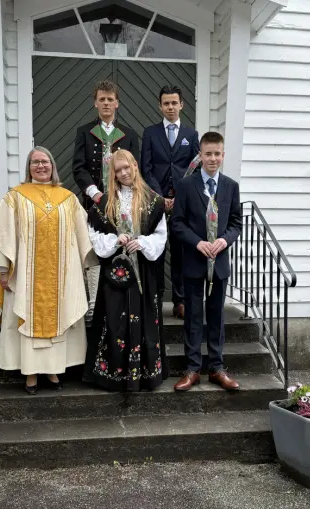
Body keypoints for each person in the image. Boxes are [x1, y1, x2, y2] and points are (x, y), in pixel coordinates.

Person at [0, 146, 97, 395]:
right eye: (35, 162)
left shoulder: (68, 198)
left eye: (45, 161)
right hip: (25, 277)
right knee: (27, 316)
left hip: (61, 276)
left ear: (52, 165)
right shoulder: (16, 197)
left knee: (60, 316)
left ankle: (53, 370)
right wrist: (3, 270)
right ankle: (31, 374)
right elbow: (3, 236)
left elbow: (84, 235)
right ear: (29, 167)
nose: (40, 166)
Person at [84, 149, 168, 392]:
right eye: (118, 170)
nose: (123, 173)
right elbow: (93, 234)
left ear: (135, 166)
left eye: (126, 167)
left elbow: (161, 235)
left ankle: (144, 375)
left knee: (144, 319)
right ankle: (112, 374)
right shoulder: (105, 202)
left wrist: (141, 242)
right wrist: (115, 240)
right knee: (114, 319)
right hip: (115, 272)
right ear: (113, 174)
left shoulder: (153, 200)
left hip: (143, 269)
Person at [171, 132, 242, 392]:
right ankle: (192, 368)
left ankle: (216, 367)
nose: (213, 158)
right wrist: (197, 243)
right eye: (208, 154)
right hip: (194, 259)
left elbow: (236, 222)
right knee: (192, 315)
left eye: (217, 154)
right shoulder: (186, 185)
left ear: (223, 155)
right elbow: (177, 223)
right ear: (200, 155)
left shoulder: (231, 186)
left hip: (219, 261)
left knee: (216, 315)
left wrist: (224, 240)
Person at [72, 80, 140, 323]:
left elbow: (135, 169)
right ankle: (93, 303)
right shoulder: (84, 132)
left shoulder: (129, 135)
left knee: (122, 247)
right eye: (102, 99)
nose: (106, 103)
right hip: (94, 202)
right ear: (95, 103)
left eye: (110, 99)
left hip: (123, 203)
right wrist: (94, 193)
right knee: (94, 250)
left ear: (117, 103)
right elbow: (78, 167)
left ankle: (121, 301)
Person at [141, 85, 200, 320]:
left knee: (180, 253)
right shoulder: (150, 133)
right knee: (155, 251)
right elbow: (145, 168)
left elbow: (196, 169)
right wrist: (160, 197)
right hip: (156, 203)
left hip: (182, 204)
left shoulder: (191, 135)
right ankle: (155, 299)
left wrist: (179, 198)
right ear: (160, 106)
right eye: (166, 103)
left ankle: (180, 301)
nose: (170, 107)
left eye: (174, 103)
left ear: (181, 105)